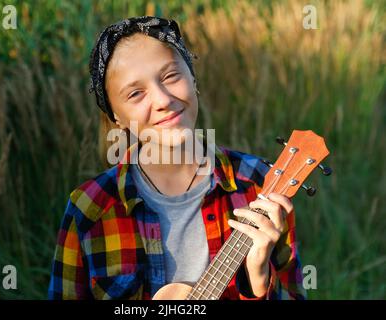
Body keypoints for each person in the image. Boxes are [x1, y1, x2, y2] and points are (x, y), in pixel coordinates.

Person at [48, 16, 306, 300]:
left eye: (171, 76)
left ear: (192, 77)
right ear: (116, 116)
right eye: (135, 93)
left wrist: (257, 279)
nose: (162, 100)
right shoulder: (90, 209)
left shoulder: (259, 187)